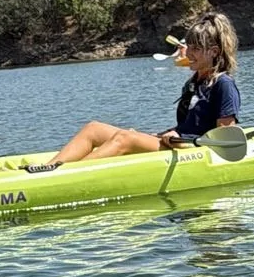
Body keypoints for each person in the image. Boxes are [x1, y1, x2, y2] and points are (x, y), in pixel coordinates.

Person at [51, 11, 241, 165]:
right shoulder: (194, 83)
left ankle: (66, 176)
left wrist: (182, 141)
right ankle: (50, 168)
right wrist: (162, 135)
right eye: (188, 47)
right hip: (175, 142)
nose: (188, 53)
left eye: (195, 49)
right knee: (94, 128)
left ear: (214, 52)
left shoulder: (224, 85)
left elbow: (223, 138)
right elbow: (188, 125)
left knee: (126, 138)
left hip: (192, 151)